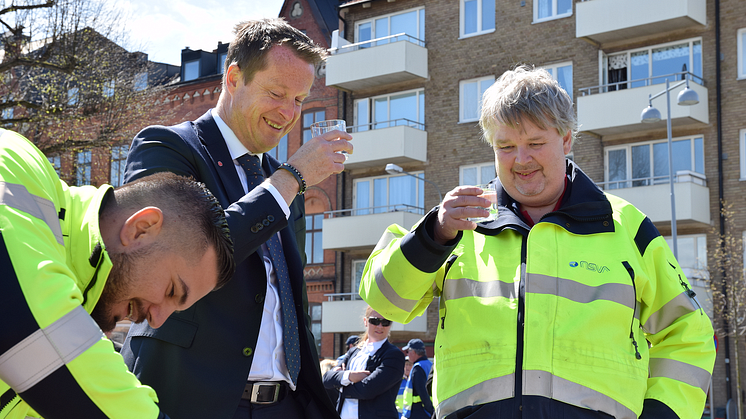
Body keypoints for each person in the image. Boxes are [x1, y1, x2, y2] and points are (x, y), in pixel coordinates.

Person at [359, 65, 716, 419]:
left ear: (566, 139)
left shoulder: (627, 227)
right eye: (506, 146)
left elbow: (688, 336)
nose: (521, 160)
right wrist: (433, 235)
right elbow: (384, 302)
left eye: (534, 143)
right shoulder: (457, 225)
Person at [120, 18, 352, 419]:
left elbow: (286, 300)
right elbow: (179, 258)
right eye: (276, 93)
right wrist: (292, 178)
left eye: (298, 99)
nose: (287, 112)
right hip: (193, 401)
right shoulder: (167, 146)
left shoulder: (281, 181)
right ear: (233, 78)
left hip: (286, 405)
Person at [0, 129, 234, 419]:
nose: (156, 320)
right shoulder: (12, 159)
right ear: (141, 228)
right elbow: (25, 318)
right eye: (172, 290)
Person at [323, 306, 405, 419]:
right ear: (366, 322)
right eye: (375, 321)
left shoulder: (394, 355)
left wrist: (340, 384)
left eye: (386, 322)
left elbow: (368, 390)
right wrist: (350, 376)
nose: (380, 326)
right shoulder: (353, 352)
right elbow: (326, 379)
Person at [400, 339, 433, 419]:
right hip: (429, 410)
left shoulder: (418, 368)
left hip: (420, 412)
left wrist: (431, 412)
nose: (407, 354)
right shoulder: (430, 365)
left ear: (413, 352)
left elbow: (422, 392)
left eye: (408, 351)